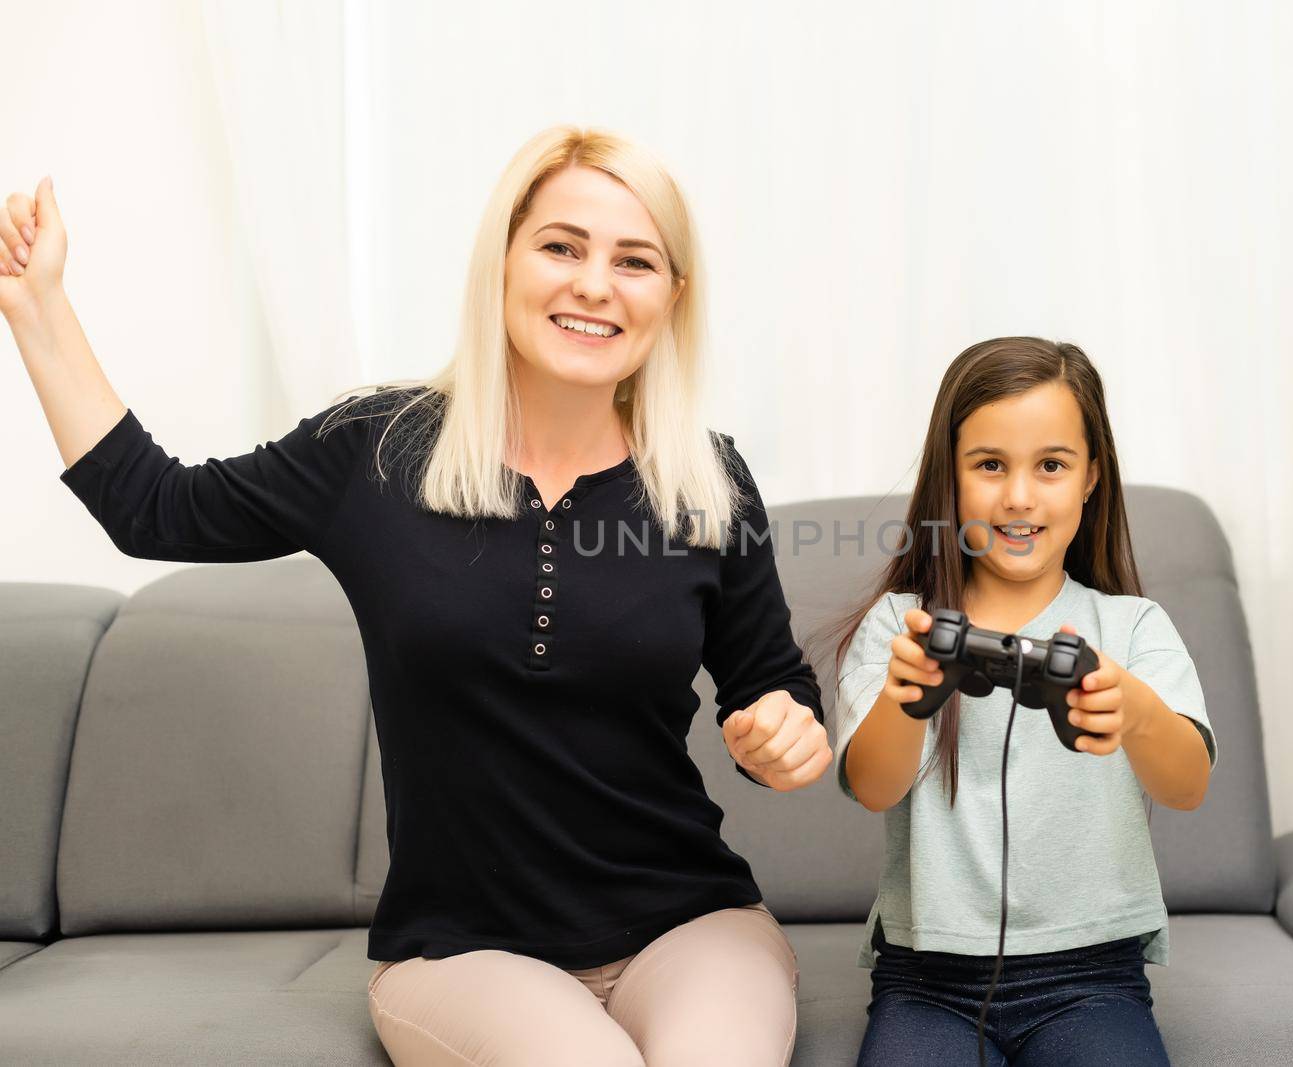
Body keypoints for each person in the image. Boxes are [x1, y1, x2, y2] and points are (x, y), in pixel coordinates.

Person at [0, 125, 831, 1067]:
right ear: (504, 259)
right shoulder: (378, 449)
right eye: (561, 245)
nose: (594, 284)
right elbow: (153, 508)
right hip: (465, 950)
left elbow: (774, 692)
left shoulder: (707, 481)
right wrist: (38, 308)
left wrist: (787, 732)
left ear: (672, 298)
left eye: (634, 260)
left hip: (692, 924)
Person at [827, 337, 1218, 1067]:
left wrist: (1131, 707)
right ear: (951, 476)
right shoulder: (901, 625)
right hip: (926, 979)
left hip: (1092, 976)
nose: (1018, 496)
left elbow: (1189, 783)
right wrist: (907, 696)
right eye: (989, 465)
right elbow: (874, 786)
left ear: (1091, 476)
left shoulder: (1132, 627)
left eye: (1051, 465)